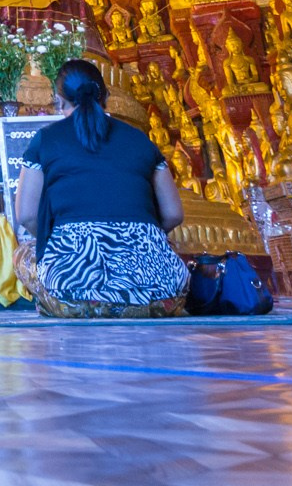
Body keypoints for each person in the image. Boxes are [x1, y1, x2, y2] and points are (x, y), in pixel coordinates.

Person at [16, 58, 189, 317]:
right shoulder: (140, 140)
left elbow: (27, 215)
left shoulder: (46, 140)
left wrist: (58, 241)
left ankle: (61, 305)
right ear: (106, 95)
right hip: (161, 295)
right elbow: (174, 213)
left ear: (59, 100)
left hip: (75, 294)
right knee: (166, 248)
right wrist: (137, 236)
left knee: (24, 254)